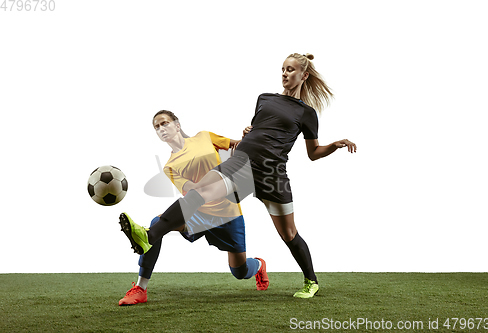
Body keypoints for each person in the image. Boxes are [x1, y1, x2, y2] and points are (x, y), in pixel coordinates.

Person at [120, 53, 357, 299]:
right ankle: (148, 236)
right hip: (242, 163)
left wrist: (335, 145)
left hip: (272, 173)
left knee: (289, 234)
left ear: (304, 75)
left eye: (291, 70)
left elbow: (313, 152)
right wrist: (248, 131)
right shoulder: (264, 99)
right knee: (200, 192)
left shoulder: (307, 113)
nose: (285, 74)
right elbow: (258, 129)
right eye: (283, 69)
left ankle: (311, 281)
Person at [118, 110, 269, 306]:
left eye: (164, 123)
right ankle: (140, 288)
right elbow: (190, 191)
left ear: (177, 125)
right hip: (200, 212)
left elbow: (237, 146)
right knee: (156, 224)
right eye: (157, 127)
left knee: (239, 271)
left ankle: (258, 265)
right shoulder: (169, 166)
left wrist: (246, 135)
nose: (161, 128)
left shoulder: (204, 137)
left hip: (228, 212)